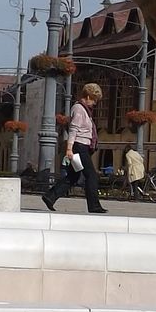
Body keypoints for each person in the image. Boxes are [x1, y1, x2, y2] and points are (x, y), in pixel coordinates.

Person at [43, 82, 107, 213]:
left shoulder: (85, 110)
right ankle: (94, 206)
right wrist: (69, 149)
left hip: (81, 146)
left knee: (74, 176)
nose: (95, 103)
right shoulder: (79, 109)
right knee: (91, 176)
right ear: (88, 96)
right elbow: (73, 129)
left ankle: (50, 196)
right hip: (79, 146)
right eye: (94, 99)